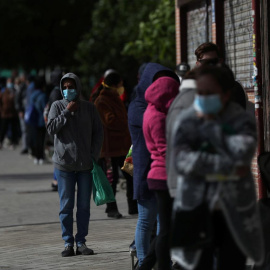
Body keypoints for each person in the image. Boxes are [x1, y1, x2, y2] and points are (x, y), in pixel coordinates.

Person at [171, 65, 264, 270]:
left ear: (225, 94)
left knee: (232, 264)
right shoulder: (187, 120)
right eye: (199, 93)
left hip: (235, 211)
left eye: (209, 93)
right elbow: (181, 160)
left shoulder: (241, 119)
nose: (203, 98)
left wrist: (209, 133)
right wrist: (227, 167)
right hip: (196, 208)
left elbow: (242, 153)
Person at [47, 72, 103, 257]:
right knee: (66, 206)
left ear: (78, 88)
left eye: (71, 86)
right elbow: (51, 129)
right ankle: (67, 243)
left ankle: (81, 242)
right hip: (64, 166)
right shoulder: (57, 106)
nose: (68, 90)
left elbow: (98, 133)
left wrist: (93, 154)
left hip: (85, 165)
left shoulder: (89, 108)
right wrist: (66, 112)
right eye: (65, 87)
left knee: (84, 207)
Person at [128, 63, 173, 267]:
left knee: (161, 224)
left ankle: (156, 261)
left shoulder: (164, 107)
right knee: (146, 220)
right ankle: (143, 261)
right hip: (147, 169)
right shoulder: (140, 107)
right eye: (157, 81)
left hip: (163, 171)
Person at [142, 69, 180, 270]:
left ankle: (147, 265)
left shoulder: (153, 110)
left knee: (167, 228)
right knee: (166, 229)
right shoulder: (156, 116)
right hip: (164, 177)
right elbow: (165, 151)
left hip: (162, 176)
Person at [94, 71, 137, 218]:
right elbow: (110, 121)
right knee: (111, 180)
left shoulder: (115, 98)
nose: (121, 87)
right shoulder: (101, 101)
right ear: (113, 86)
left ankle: (133, 206)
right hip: (109, 148)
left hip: (123, 147)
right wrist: (127, 122)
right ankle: (111, 208)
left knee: (131, 175)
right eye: (120, 85)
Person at [44, 68, 63, 190]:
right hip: (58, 127)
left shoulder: (54, 92)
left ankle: (56, 180)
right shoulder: (56, 93)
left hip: (55, 126)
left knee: (59, 153)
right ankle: (56, 181)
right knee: (59, 154)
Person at [0, 78, 18, 149]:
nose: (10, 83)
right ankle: (1, 141)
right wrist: (1, 110)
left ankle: (13, 142)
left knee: (13, 129)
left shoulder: (14, 91)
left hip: (12, 114)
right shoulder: (3, 92)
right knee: (3, 129)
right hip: (4, 114)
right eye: (9, 82)